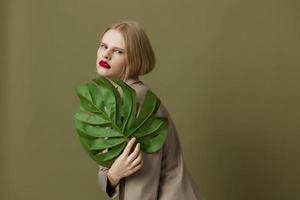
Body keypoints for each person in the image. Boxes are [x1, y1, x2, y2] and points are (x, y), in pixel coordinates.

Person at [95, 21, 203, 200]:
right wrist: (113, 175)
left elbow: (142, 185)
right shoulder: (117, 100)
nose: (106, 54)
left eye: (118, 51)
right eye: (103, 46)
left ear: (134, 59)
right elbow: (109, 168)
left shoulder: (136, 104)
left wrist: (114, 173)